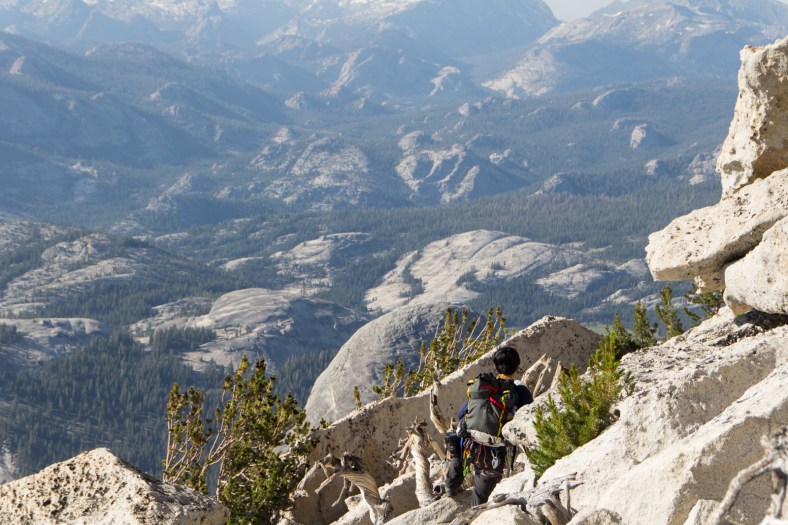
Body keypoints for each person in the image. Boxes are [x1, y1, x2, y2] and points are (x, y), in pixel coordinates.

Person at [442, 346, 533, 506]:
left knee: (458, 445)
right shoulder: (520, 392)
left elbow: (462, 413)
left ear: (496, 366)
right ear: (517, 366)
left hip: (468, 442)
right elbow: (528, 418)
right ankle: (475, 512)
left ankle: (450, 486)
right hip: (493, 450)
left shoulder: (482, 386)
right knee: (480, 494)